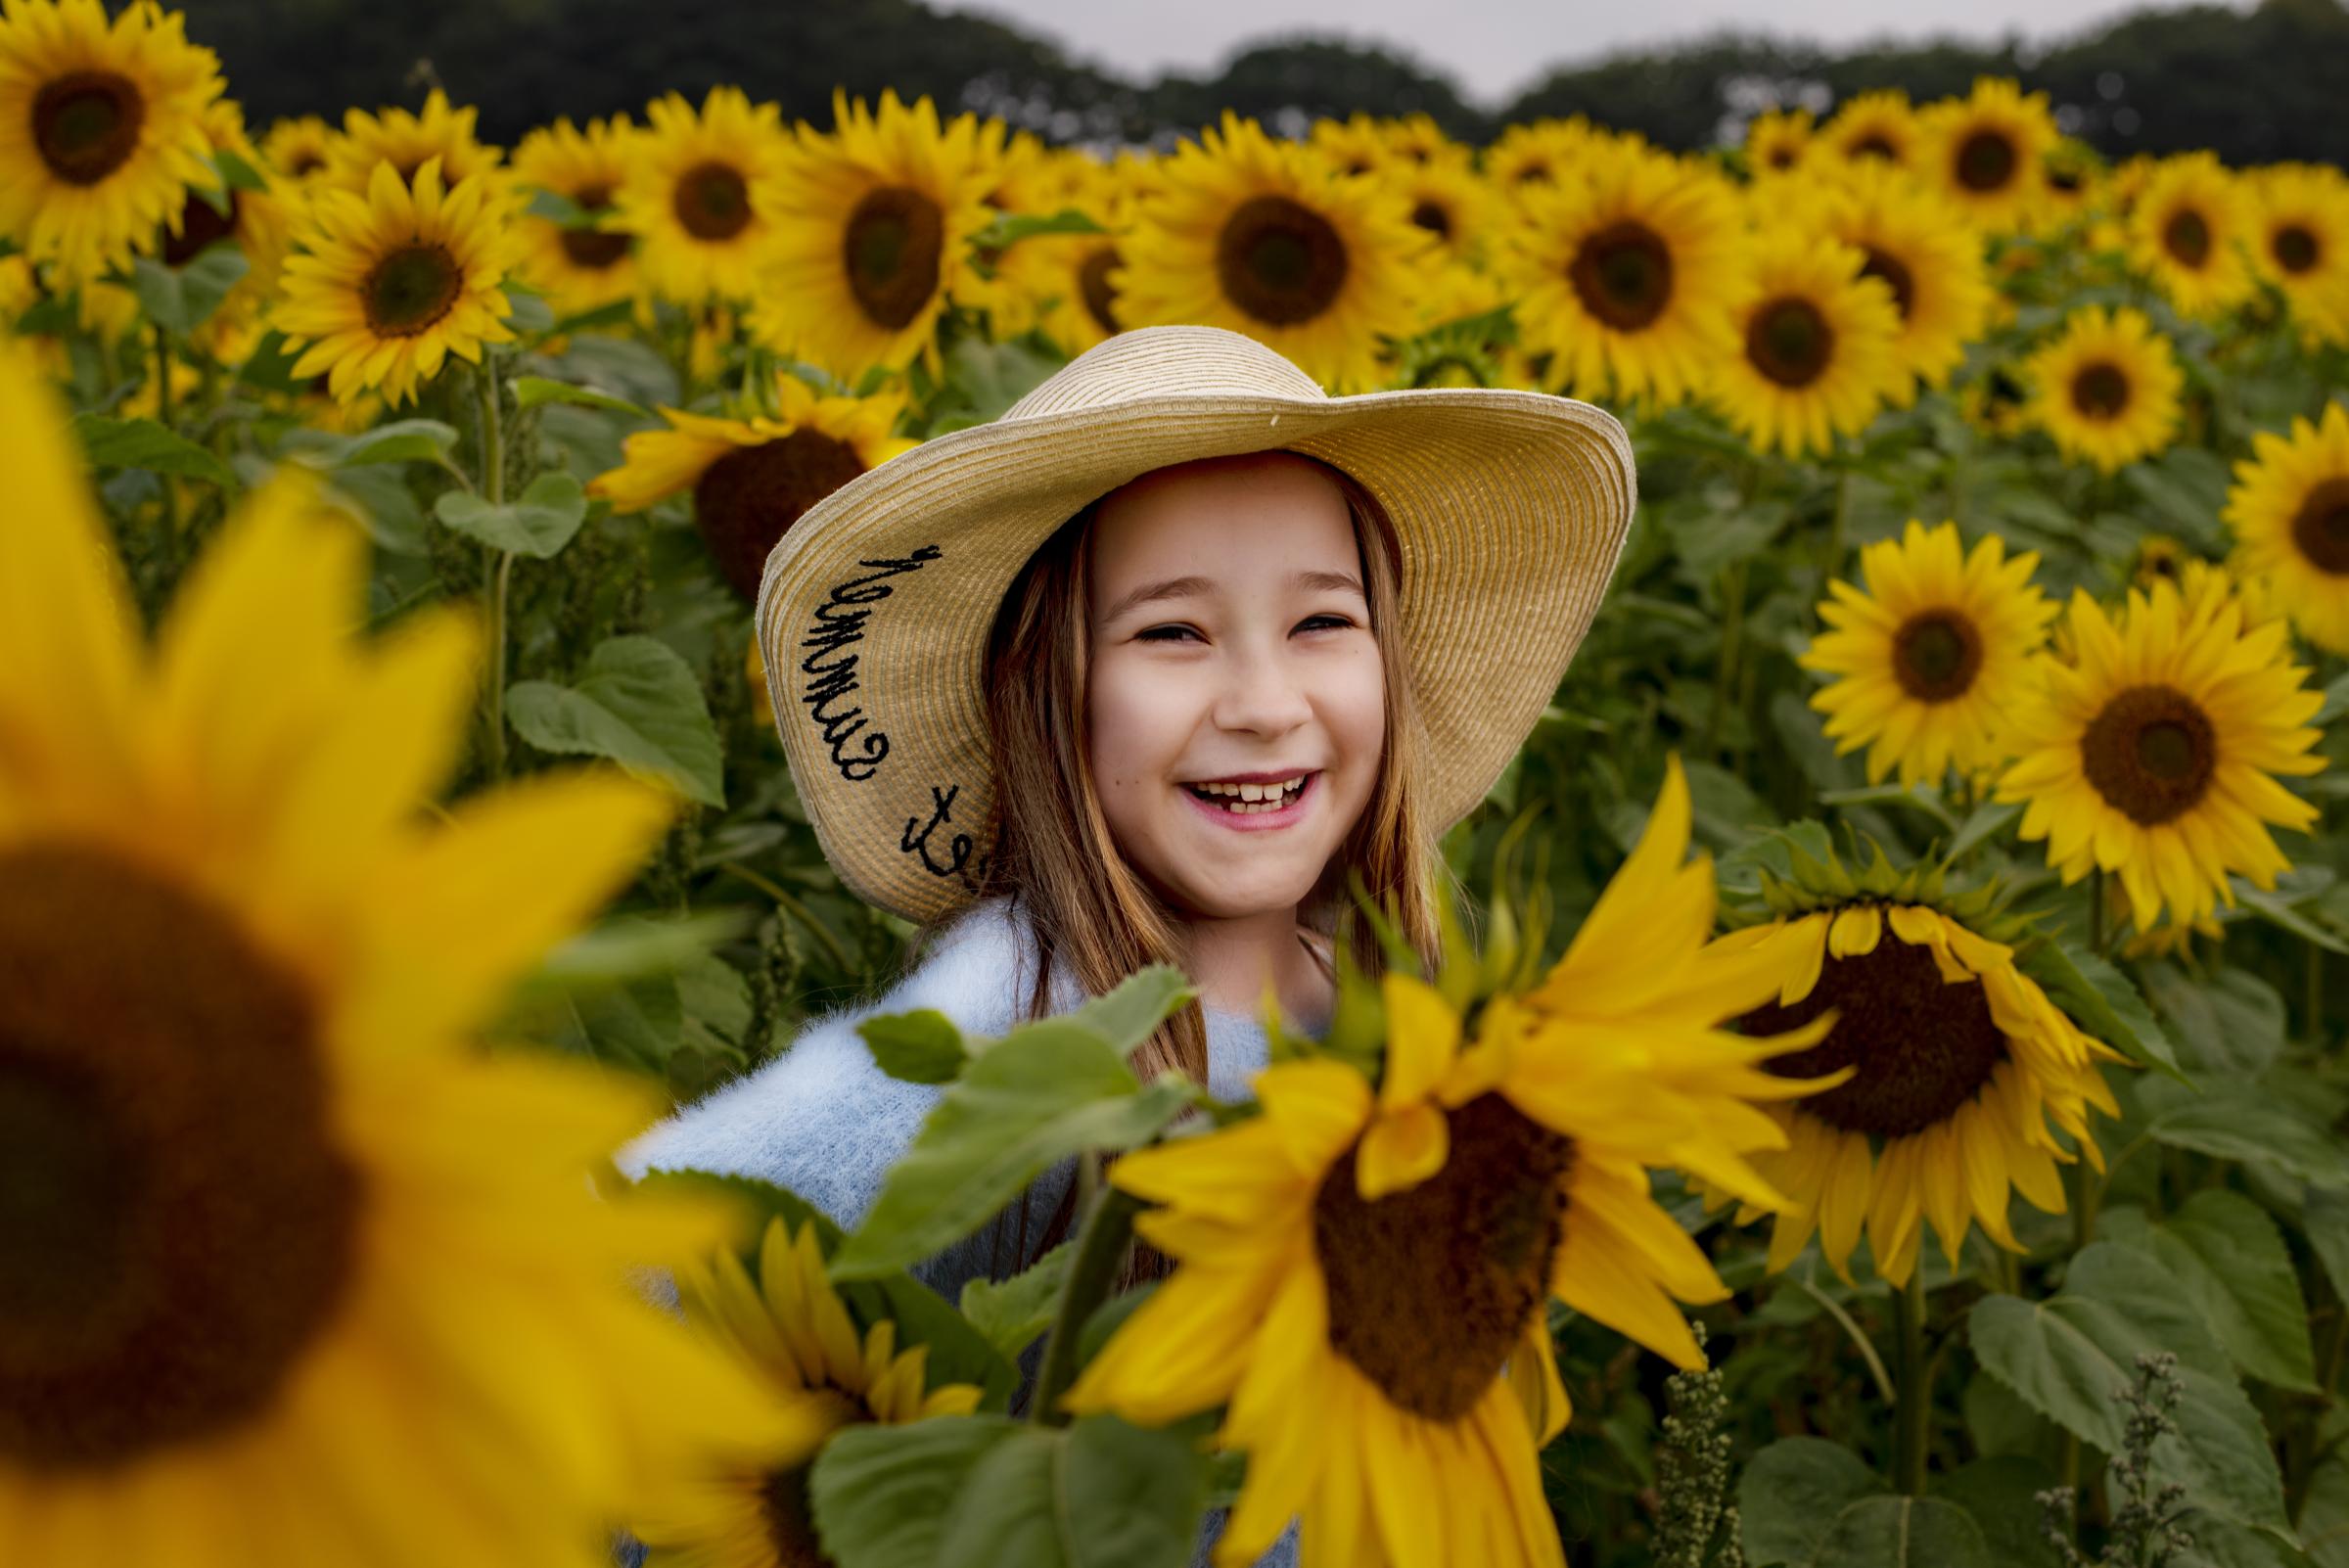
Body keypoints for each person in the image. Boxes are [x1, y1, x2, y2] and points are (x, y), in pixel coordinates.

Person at [613, 324, 1636, 1566]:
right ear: (1048, 691)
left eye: (1324, 621)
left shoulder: (1401, 1018)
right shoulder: (1013, 1031)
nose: (1265, 703)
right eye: (1172, 634)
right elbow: (616, 1277)